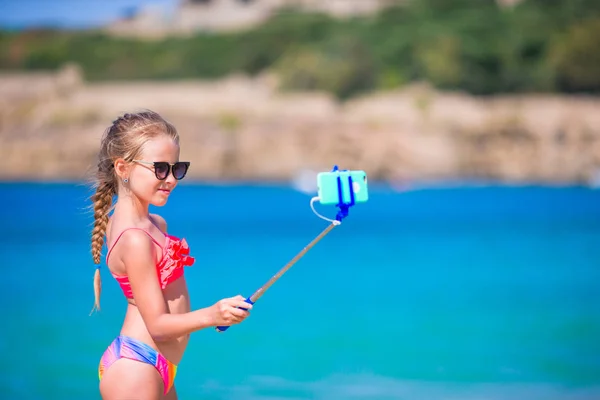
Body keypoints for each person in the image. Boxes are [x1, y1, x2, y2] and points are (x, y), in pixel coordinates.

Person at [89, 110, 252, 400]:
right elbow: (158, 325)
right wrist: (214, 314)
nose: (171, 179)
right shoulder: (135, 239)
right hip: (135, 369)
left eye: (177, 169)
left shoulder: (153, 225)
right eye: (160, 168)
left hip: (159, 367)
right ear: (123, 169)